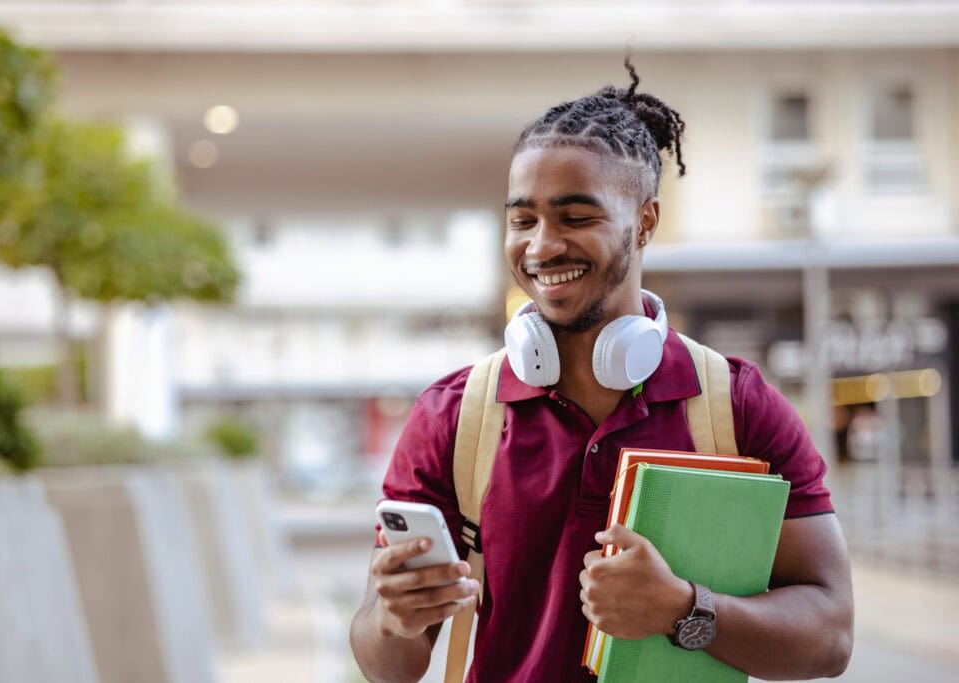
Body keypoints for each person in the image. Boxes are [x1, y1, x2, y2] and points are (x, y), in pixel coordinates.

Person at [350, 58, 854, 682]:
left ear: (645, 222)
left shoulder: (737, 404)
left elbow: (830, 637)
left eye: (576, 217)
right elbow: (388, 667)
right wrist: (393, 620)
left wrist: (682, 609)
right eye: (521, 219)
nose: (540, 247)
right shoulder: (454, 415)